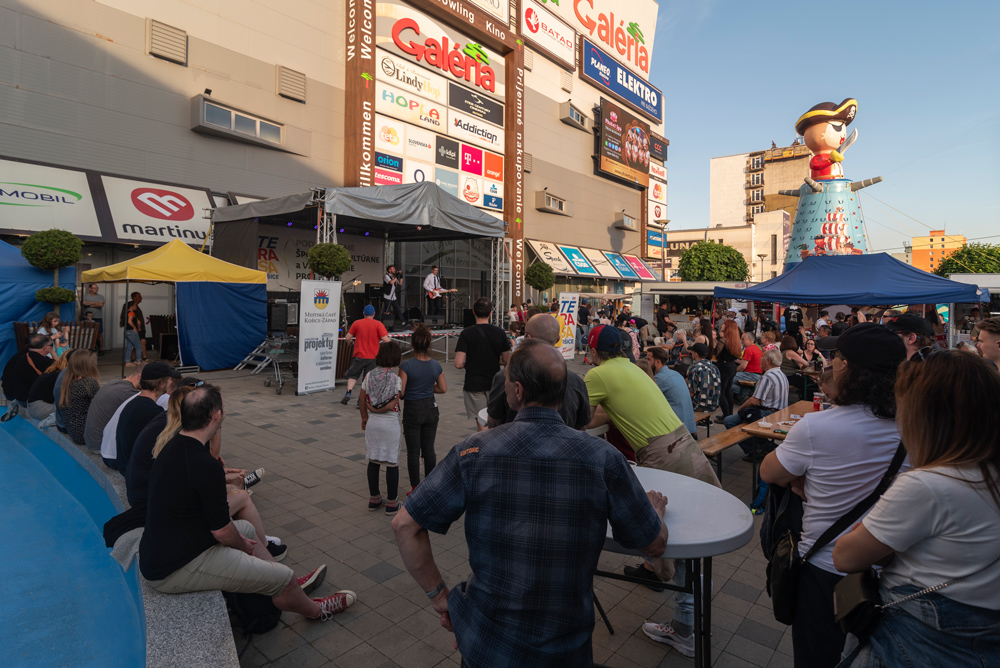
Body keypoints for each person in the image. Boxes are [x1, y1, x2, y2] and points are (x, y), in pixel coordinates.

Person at [391, 341, 669, 667]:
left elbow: (404, 524)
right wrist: (654, 509)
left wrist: (440, 598)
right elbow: (654, 543)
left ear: (518, 391)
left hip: (486, 646)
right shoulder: (603, 458)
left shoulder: (474, 452)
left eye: (507, 380)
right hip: (565, 649)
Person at [832, 350, 1000, 667]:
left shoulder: (927, 485)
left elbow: (845, 556)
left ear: (928, 417)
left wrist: (876, 540)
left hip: (913, 638)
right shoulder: (986, 474)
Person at [760, 323, 908, 668]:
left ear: (849, 367)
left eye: (837, 357)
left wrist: (805, 478)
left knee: (816, 659)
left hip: (824, 566)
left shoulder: (817, 428)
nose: (832, 363)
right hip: (893, 569)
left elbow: (770, 472)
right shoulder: (918, 426)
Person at [138, 385, 353, 619]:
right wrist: (243, 546)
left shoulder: (173, 446)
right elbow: (221, 532)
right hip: (174, 568)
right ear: (217, 416)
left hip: (170, 549)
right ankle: (314, 609)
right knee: (278, 573)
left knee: (247, 529)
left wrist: (243, 540)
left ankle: (280, 577)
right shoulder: (202, 464)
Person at [129, 378, 285, 560]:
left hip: (155, 504)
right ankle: (264, 546)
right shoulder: (186, 438)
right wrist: (216, 428)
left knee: (234, 490)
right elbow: (207, 469)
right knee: (240, 496)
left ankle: (260, 540)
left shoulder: (175, 435)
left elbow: (194, 475)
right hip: (165, 518)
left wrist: (224, 474)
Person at [486, 314, 590, 429]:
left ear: (528, 337)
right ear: (557, 339)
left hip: (512, 443)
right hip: (565, 444)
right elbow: (582, 425)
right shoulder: (575, 382)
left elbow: (494, 422)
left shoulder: (506, 376)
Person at [398, 324, 446, 496]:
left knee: (413, 451)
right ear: (428, 344)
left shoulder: (406, 366)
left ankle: (415, 488)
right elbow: (442, 388)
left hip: (413, 409)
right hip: (431, 408)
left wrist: (412, 388)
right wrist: (427, 387)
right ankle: (431, 485)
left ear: (413, 343)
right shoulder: (435, 365)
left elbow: (401, 392)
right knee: (429, 450)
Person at [454, 298, 511, 432]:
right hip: (496, 384)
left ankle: (484, 450)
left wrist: (473, 361)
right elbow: (506, 360)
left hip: (474, 384)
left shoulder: (466, 333)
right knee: (497, 420)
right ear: (490, 313)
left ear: (474, 312)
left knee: (482, 423)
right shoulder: (500, 333)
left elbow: (458, 363)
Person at [360, 341, 403, 515]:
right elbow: (393, 403)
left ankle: (374, 498)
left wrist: (366, 415)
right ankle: (392, 503)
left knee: (374, 460)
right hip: (390, 423)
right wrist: (377, 408)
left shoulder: (369, 375)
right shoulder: (396, 379)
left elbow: (361, 398)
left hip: (373, 423)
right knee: (391, 461)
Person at [116, 362, 180, 475]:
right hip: (136, 472)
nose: (171, 382)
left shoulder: (134, 403)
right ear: (160, 384)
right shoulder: (153, 412)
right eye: (169, 379)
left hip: (125, 466)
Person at [722, 349, 789, 456]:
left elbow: (754, 400)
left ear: (768, 361)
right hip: (780, 413)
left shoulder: (768, 377)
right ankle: (765, 445)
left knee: (729, 421)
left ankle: (755, 450)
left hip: (768, 414)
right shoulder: (781, 374)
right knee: (745, 418)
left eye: (762, 357)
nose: (760, 359)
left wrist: (741, 408)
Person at [340, 305, 391, 405]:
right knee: (367, 380)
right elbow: (385, 339)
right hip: (373, 357)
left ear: (363, 313)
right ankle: (361, 401)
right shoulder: (378, 324)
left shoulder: (357, 323)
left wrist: (350, 342)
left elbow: (348, 337)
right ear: (374, 314)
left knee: (353, 375)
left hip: (359, 355)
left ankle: (348, 392)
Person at [85, 364, 142, 452]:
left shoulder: (115, 382)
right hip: (101, 446)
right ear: (140, 376)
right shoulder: (128, 393)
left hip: (92, 441)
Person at [646, 347, 697, 438]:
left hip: (677, 429)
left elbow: (645, 398)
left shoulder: (660, 378)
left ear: (658, 362)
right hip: (689, 425)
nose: (646, 361)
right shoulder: (675, 373)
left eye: (648, 359)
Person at [60, 350, 101, 445]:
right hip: (85, 434)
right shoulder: (88, 383)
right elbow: (102, 406)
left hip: (75, 433)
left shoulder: (68, 381)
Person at [2, 333, 53, 408]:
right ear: (45, 347)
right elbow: (61, 368)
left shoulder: (23, 355)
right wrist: (53, 352)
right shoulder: (38, 359)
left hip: (11, 392)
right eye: (52, 345)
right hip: (20, 398)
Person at [26, 353, 71, 421]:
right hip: (40, 408)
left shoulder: (54, 370)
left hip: (32, 405)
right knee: (71, 412)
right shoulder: (61, 375)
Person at [715, 320, 741, 418]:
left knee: (721, 393)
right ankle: (729, 414)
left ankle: (726, 416)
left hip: (724, 367)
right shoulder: (735, 340)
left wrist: (715, 340)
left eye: (724, 324)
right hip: (732, 367)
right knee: (728, 391)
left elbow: (716, 353)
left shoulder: (724, 339)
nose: (722, 325)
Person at [686, 343, 721, 414]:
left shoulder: (694, 368)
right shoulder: (714, 367)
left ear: (696, 354)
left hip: (700, 406)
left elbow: (691, 393)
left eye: (692, 352)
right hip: (715, 404)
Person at [82, 283, 106, 353]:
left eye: (97, 288)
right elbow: (84, 303)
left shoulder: (100, 297)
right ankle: (88, 348)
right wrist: (96, 303)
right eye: (94, 288)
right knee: (87, 333)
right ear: (90, 289)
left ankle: (101, 349)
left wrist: (89, 305)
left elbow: (101, 304)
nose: (96, 289)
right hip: (87, 318)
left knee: (99, 333)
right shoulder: (85, 296)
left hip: (98, 317)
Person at [382, 264, 405, 328]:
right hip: (387, 296)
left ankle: (403, 322)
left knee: (398, 309)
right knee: (387, 311)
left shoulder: (393, 276)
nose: (394, 270)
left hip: (393, 296)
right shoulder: (386, 276)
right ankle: (386, 324)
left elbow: (400, 283)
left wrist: (401, 276)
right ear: (389, 270)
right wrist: (396, 276)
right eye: (393, 269)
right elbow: (391, 282)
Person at [123, 301, 142, 367]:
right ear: (131, 306)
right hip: (131, 331)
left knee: (129, 346)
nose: (136, 306)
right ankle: (139, 361)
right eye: (135, 305)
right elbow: (129, 322)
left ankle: (127, 362)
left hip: (127, 331)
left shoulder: (126, 313)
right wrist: (134, 327)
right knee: (138, 346)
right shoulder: (131, 313)